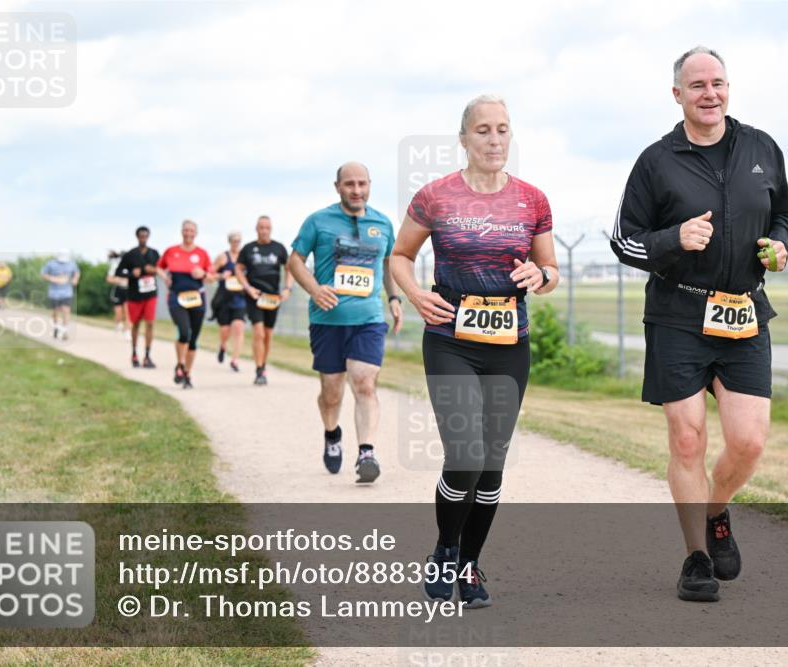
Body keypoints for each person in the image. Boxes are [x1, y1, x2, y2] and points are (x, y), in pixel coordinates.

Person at [610, 46, 788, 602]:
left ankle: (717, 512)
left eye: (717, 83)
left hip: (744, 311)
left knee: (749, 442)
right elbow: (624, 240)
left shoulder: (761, 148)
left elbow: (786, 212)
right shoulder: (656, 161)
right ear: (678, 95)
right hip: (678, 315)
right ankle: (695, 558)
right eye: (697, 85)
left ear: (728, 88)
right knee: (688, 437)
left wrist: (779, 244)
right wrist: (674, 238)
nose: (709, 93)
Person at [391, 94, 559, 608]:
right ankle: (446, 548)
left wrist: (540, 275)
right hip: (451, 339)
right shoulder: (435, 196)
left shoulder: (532, 200)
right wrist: (415, 295)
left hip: (509, 344)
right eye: (483, 130)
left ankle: (469, 565)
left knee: (491, 464)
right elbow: (400, 255)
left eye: (502, 129)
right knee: (465, 454)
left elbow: (551, 271)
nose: (494, 139)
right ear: (463, 138)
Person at [288, 162, 402, 484]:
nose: (356, 190)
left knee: (364, 382)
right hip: (327, 320)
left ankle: (366, 453)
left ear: (370, 185)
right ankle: (332, 433)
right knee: (332, 392)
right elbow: (295, 261)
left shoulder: (382, 223)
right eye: (349, 184)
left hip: (368, 319)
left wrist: (394, 298)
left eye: (362, 184)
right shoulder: (318, 221)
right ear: (337, 186)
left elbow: (389, 263)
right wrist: (314, 289)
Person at [235, 216, 293, 385]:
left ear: (271, 229)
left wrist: (287, 288)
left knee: (267, 335)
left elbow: (289, 268)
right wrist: (247, 287)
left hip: (272, 297)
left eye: (267, 228)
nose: (264, 231)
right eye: (261, 227)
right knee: (258, 332)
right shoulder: (248, 249)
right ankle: (259, 369)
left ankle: (263, 365)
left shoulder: (278, 248)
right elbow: (238, 269)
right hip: (255, 296)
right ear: (256, 229)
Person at [157, 220, 215, 389]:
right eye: (186, 230)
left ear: (196, 233)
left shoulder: (202, 253)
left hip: (197, 298)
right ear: (181, 231)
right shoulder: (171, 251)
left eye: (191, 230)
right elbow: (159, 267)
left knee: (193, 339)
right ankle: (180, 363)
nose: (188, 233)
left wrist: (203, 274)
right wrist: (165, 277)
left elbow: (211, 278)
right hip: (177, 297)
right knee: (183, 332)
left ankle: (187, 374)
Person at [117, 227, 161, 368]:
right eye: (141, 236)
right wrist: (131, 274)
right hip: (135, 294)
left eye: (146, 236)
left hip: (151, 293)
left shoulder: (154, 253)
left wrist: (153, 270)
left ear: (148, 237)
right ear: (137, 237)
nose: (143, 238)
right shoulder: (130, 254)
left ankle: (147, 356)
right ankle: (134, 353)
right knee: (135, 324)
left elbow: (161, 270)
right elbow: (119, 271)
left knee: (150, 323)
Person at [213, 231, 247, 372]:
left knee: (238, 327)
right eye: (234, 241)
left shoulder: (245, 257)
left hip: (240, 298)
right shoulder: (223, 257)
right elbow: (210, 274)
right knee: (225, 330)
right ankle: (222, 345)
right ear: (229, 242)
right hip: (224, 299)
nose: (236, 243)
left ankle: (235, 360)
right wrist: (222, 275)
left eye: (238, 241)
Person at [40, 250, 80, 340]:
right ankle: (56, 327)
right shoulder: (51, 264)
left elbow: (77, 273)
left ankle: (65, 331)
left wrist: (75, 279)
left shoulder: (72, 264)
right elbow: (43, 274)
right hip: (54, 292)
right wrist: (53, 279)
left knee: (66, 310)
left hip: (67, 292)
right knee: (55, 312)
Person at [106, 250, 130, 338]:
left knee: (128, 312)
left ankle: (127, 331)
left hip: (128, 291)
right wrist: (119, 280)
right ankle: (118, 323)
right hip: (118, 290)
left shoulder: (130, 266)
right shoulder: (115, 266)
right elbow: (108, 279)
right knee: (118, 313)